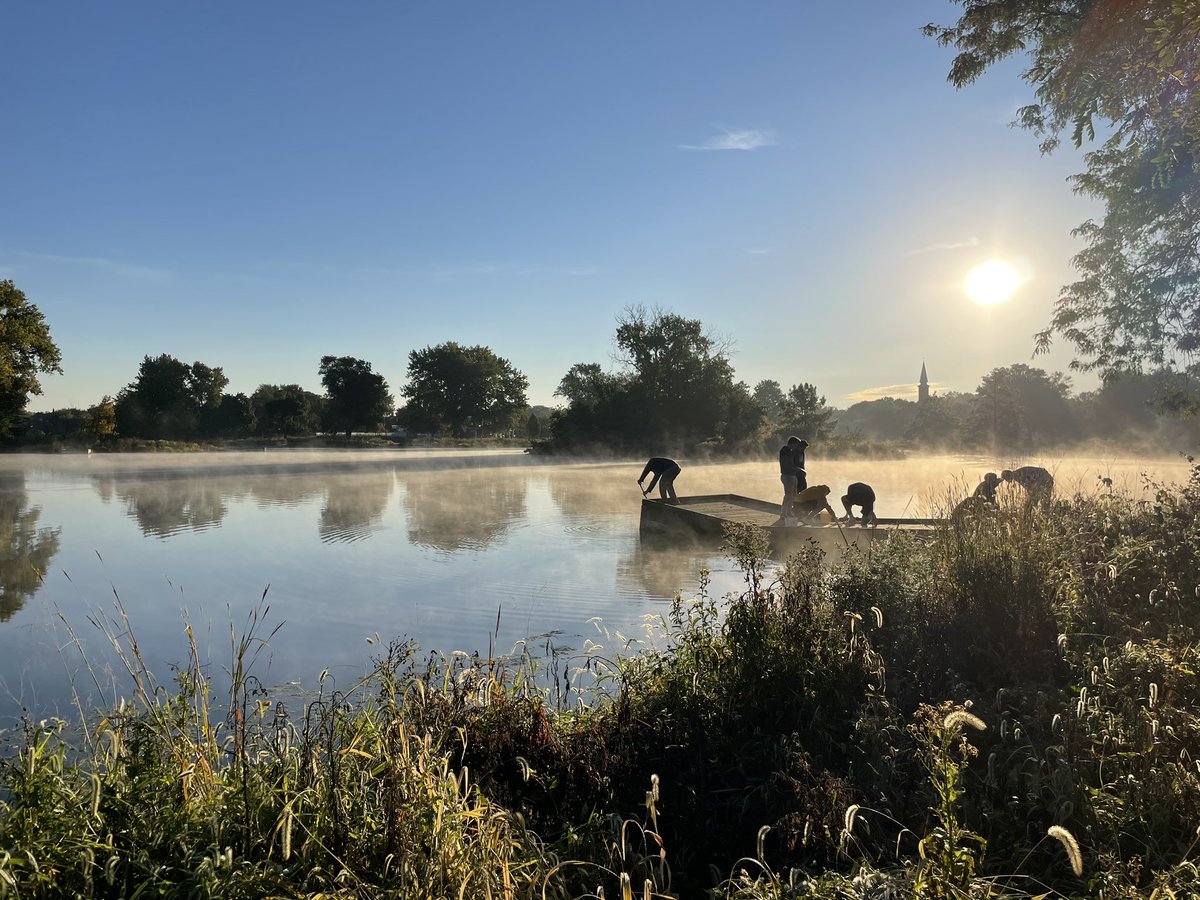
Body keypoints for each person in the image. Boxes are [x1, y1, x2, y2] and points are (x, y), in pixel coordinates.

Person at [778, 436, 808, 520]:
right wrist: (800, 470)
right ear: (793, 443)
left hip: (792, 475)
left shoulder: (791, 451)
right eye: (796, 444)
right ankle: (783, 514)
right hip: (787, 475)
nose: (797, 446)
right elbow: (789, 465)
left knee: (793, 495)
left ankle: (789, 512)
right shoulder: (785, 450)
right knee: (788, 495)